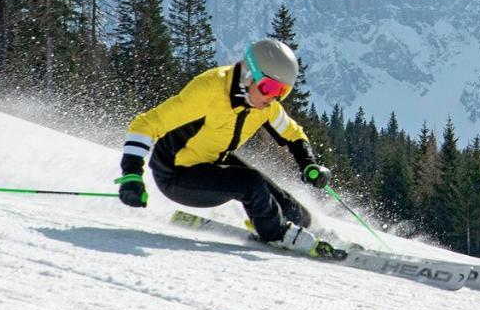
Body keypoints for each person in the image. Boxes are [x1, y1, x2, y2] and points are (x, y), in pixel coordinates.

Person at [115, 37, 333, 254]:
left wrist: (309, 164)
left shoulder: (266, 106)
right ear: (249, 75)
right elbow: (145, 124)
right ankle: (276, 234)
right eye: (269, 87)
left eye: (282, 91)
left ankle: (306, 226)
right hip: (176, 174)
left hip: (212, 160)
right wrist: (131, 175)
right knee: (251, 184)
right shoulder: (209, 91)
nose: (273, 97)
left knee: (287, 205)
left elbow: (293, 134)